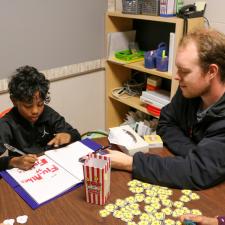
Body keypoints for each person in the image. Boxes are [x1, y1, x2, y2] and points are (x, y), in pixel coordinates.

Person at [107, 28, 225, 190]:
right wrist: (193, 153)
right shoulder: (190, 90)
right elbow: (166, 122)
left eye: (184, 71)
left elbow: (198, 172)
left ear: (212, 71)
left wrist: (131, 163)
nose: (177, 77)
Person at [0, 65, 81, 171]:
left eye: (40, 104)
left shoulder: (48, 113)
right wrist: (13, 161)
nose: (35, 111)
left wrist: (68, 135)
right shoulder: (6, 124)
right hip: (25, 173)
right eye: (28, 106)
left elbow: (76, 134)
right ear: (14, 101)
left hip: (52, 167)